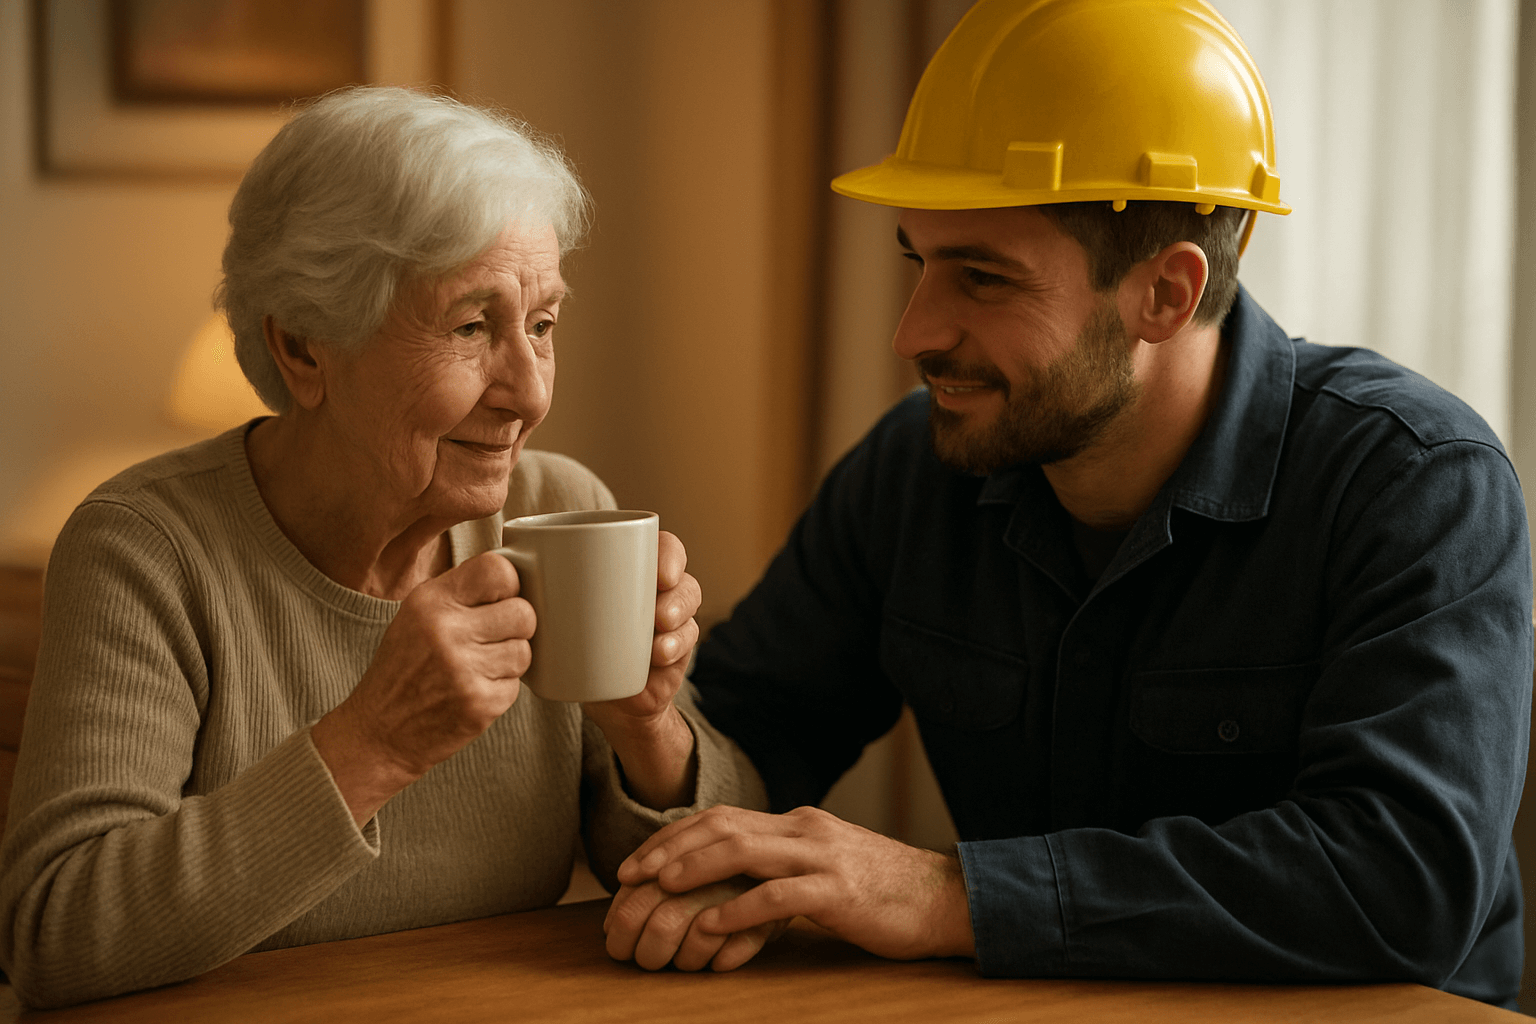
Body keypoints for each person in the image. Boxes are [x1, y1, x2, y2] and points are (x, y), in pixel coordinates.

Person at [602, 0, 1533, 1009]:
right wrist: (653, 728)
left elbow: (1403, 883)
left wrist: (945, 895)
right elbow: (754, 742)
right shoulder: (914, 474)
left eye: (984, 279)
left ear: (1164, 296)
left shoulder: (1415, 482)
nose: (912, 333)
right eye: (918, 262)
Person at [0, 86, 762, 1010]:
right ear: (305, 346)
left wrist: (649, 728)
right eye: (472, 327)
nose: (529, 393)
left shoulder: (558, 511)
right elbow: (54, 934)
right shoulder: (148, 550)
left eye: (544, 325)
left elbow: (723, 875)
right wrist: (374, 744)